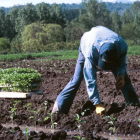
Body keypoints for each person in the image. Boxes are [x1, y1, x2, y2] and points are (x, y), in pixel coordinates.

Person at [52, 26, 140, 115]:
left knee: (124, 78)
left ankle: (134, 104)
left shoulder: (122, 45)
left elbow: (121, 63)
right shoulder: (91, 52)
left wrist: (120, 75)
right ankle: (59, 108)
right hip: (87, 43)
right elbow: (90, 79)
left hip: (107, 43)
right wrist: (97, 103)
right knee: (77, 79)